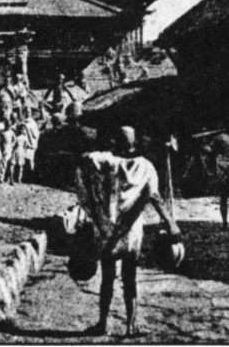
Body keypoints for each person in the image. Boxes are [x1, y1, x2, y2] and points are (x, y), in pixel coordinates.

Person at [74, 126, 181, 337]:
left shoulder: (104, 163)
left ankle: (103, 323)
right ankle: (131, 326)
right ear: (135, 144)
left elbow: (84, 159)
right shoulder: (145, 167)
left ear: (115, 143)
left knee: (107, 277)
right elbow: (155, 197)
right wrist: (171, 224)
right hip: (131, 232)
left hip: (107, 230)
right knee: (129, 277)